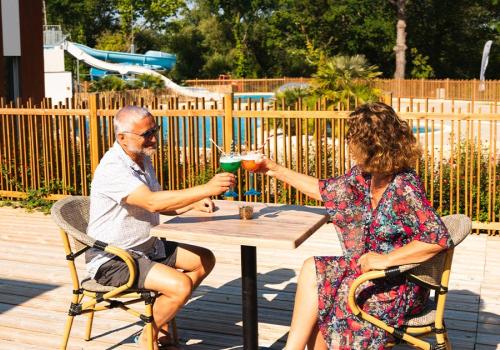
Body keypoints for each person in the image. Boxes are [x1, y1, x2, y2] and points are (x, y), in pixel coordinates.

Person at [255, 102, 452, 349]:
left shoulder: (404, 186)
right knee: (312, 271)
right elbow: (324, 190)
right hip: (368, 272)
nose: (348, 144)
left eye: (352, 138)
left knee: (326, 307)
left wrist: (385, 259)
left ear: (371, 144)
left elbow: (437, 238)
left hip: (398, 284)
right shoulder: (366, 175)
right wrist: (274, 169)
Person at [86, 106, 235, 350]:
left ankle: (160, 328)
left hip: (147, 247)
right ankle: (147, 338)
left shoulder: (142, 159)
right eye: (146, 134)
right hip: (114, 259)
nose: (154, 138)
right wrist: (206, 189)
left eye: (155, 130)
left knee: (204, 259)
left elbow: (158, 203)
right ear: (121, 137)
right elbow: (152, 201)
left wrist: (192, 203)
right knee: (180, 285)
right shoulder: (114, 167)